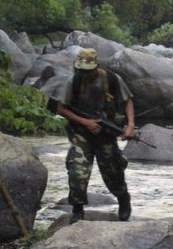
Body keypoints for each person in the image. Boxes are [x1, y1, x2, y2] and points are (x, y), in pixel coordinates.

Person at [56, 48, 135, 222]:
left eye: (89, 70)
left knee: (114, 172)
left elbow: (127, 101)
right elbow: (61, 108)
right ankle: (77, 210)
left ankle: (123, 199)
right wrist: (85, 122)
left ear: (97, 66)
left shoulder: (112, 79)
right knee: (77, 172)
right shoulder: (74, 81)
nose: (86, 74)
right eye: (83, 70)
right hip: (81, 135)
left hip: (106, 135)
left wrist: (130, 125)